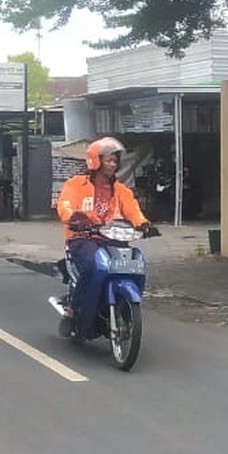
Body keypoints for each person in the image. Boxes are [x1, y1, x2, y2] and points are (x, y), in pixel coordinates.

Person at [55, 137, 158, 330]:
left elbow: (133, 210)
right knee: (93, 267)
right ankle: (73, 310)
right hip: (82, 238)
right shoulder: (76, 184)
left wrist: (143, 224)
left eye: (115, 161)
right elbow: (65, 205)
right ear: (96, 160)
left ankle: (123, 307)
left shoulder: (121, 190)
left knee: (136, 263)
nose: (112, 164)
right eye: (108, 160)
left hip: (112, 239)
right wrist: (74, 216)